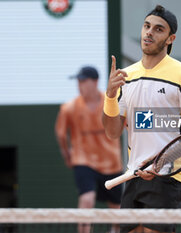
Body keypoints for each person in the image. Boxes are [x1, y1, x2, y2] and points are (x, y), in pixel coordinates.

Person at [102, 5, 181, 233]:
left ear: (171, 39)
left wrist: (160, 163)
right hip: (133, 176)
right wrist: (110, 96)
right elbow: (112, 132)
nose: (149, 32)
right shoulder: (126, 77)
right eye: (146, 26)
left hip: (168, 178)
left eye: (158, 29)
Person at [55, 66, 123, 233]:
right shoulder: (68, 108)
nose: (80, 85)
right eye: (78, 81)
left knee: (117, 210)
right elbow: (61, 135)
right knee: (87, 199)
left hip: (112, 164)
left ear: (95, 82)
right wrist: (67, 155)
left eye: (83, 81)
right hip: (83, 161)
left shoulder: (112, 103)